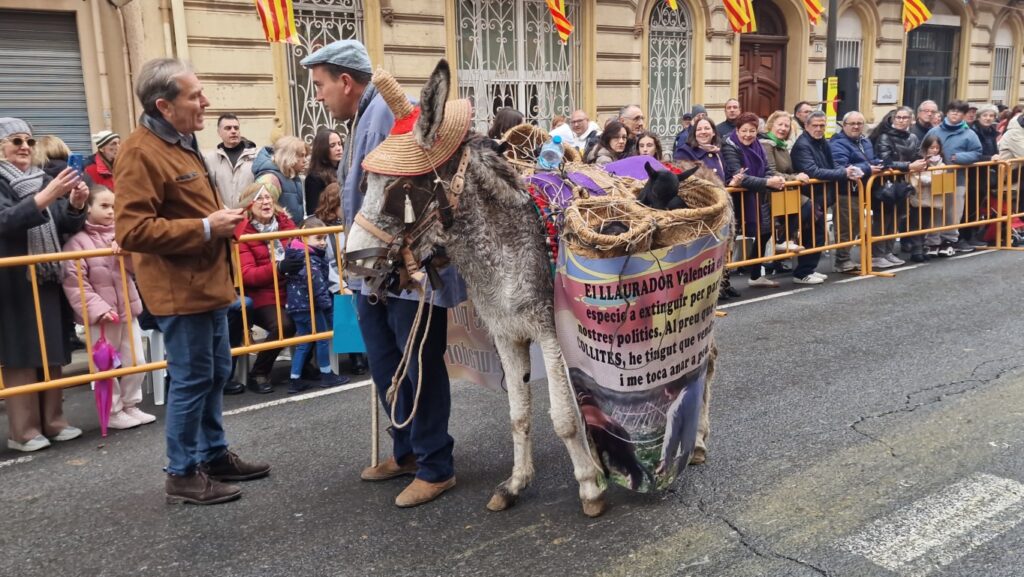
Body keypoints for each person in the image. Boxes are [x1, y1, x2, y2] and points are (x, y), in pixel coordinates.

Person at [303, 39, 463, 507]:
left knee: (419, 368)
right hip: (371, 271)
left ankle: (436, 465)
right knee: (386, 365)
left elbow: (412, 201)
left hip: (408, 272)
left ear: (346, 82)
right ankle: (408, 451)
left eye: (320, 86)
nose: (318, 96)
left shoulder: (394, 118)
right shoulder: (363, 118)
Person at [115, 58, 269, 505]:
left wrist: (217, 221)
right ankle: (182, 474)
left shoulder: (180, 141)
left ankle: (213, 455)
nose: (205, 101)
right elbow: (132, 231)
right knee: (192, 379)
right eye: (195, 95)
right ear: (164, 105)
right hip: (179, 290)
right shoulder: (140, 151)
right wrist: (206, 227)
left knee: (215, 371)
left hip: (207, 284)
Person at [0, 117, 88, 452]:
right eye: (16, 141)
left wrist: (76, 204)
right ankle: (23, 430)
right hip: (13, 279)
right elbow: (4, 221)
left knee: (51, 350)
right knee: (21, 353)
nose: (25, 147)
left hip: (46, 274)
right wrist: (44, 198)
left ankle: (54, 420)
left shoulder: (40, 178)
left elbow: (63, 224)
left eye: (29, 141)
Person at [61, 185, 156, 430]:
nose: (111, 211)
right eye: (104, 206)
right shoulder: (77, 242)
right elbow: (74, 282)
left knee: (137, 360)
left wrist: (126, 253)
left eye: (114, 206)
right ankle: (112, 411)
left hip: (127, 309)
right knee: (105, 365)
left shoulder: (122, 235)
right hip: (102, 317)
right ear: (88, 208)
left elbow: (139, 269)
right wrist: (98, 309)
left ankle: (131, 404)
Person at [235, 182, 304, 394]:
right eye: (260, 198)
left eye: (269, 197)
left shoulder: (285, 223)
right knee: (284, 325)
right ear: (249, 204)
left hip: (290, 289)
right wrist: (278, 268)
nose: (266, 202)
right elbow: (247, 274)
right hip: (262, 295)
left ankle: (305, 366)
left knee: (315, 313)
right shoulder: (242, 233)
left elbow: (300, 248)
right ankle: (259, 372)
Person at [282, 217, 350, 394]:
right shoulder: (308, 258)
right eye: (318, 238)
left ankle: (294, 379)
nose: (322, 243)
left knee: (304, 342)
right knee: (322, 338)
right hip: (310, 305)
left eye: (324, 238)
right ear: (304, 236)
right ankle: (327, 375)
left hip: (297, 305)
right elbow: (318, 285)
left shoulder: (294, 252)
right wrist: (327, 305)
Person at [792, 110, 861, 281]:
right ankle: (802, 273)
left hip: (821, 196)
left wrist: (846, 169)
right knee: (811, 235)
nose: (818, 129)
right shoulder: (803, 145)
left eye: (822, 125)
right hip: (809, 197)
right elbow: (813, 171)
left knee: (818, 235)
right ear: (806, 126)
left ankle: (809, 269)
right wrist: (842, 173)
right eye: (815, 125)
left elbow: (832, 163)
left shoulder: (822, 142)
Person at [722, 112, 787, 288]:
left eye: (752, 131)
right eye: (744, 130)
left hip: (757, 196)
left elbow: (766, 167)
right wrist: (768, 182)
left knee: (765, 231)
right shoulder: (729, 146)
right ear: (737, 130)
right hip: (735, 199)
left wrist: (771, 179)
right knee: (729, 239)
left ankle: (756, 274)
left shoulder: (758, 144)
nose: (748, 135)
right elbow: (739, 175)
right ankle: (723, 283)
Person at [313, 182, 368, 376]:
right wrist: (343, 284)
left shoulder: (353, 224)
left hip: (353, 276)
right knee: (345, 299)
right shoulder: (321, 228)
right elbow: (327, 264)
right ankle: (356, 356)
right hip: (332, 280)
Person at [870, 107, 927, 265]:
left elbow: (918, 155)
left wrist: (924, 162)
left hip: (901, 183)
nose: (902, 121)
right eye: (899, 117)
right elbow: (885, 161)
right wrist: (909, 166)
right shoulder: (884, 137)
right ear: (893, 119)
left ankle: (888, 251)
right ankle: (877, 254)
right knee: (883, 219)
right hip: (884, 184)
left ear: (911, 120)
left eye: (905, 118)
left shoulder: (913, 137)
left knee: (895, 218)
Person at [925, 100, 984, 254]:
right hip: (936, 178)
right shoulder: (934, 132)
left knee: (953, 211)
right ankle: (933, 241)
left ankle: (949, 239)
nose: (955, 114)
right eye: (952, 110)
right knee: (936, 210)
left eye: (959, 112)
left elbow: (977, 152)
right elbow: (922, 149)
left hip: (957, 178)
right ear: (947, 112)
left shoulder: (969, 134)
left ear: (963, 115)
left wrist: (959, 157)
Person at [830, 111, 882, 272]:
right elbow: (841, 166)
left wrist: (879, 164)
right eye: (852, 123)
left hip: (862, 190)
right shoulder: (837, 143)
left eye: (859, 123)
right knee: (845, 227)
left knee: (856, 226)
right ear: (844, 125)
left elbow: (868, 160)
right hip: (845, 191)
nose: (856, 126)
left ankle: (847, 258)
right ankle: (842, 260)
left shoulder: (865, 141)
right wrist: (868, 168)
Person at [760, 110, 810, 254]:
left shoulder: (781, 145)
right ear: (771, 125)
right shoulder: (766, 144)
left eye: (786, 126)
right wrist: (794, 178)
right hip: (771, 193)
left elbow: (787, 170)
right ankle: (782, 241)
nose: (783, 128)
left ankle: (783, 247)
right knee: (807, 206)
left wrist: (798, 175)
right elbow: (771, 172)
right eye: (779, 124)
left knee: (810, 210)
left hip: (784, 191)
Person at [963, 104, 1000, 247]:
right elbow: (973, 153)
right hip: (972, 173)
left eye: (991, 116)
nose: (988, 118)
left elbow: (994, 151)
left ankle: (972, 235)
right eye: (985, 115)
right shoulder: (973, 131)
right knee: (969, 205)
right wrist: (990, 159)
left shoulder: (992, 131)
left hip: (984, 173)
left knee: (977, 205)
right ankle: (964, 236)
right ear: (979, 117)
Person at [908, 136, 950, 259]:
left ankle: (921, 247)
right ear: (926, 148)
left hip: (932, 197)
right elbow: (916, 177)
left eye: (937, 148)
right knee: (916, 222)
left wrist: (934, 177)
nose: (935, 150)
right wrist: (932, 179)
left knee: (925, 222)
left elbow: (943, 174)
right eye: (932, 147)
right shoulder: (920, 160)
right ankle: (916, 250)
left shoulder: (941, 161)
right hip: (919, 195)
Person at [204, 113, 257, 209]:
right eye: (228, 128)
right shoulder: (210, 159)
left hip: (250, 216)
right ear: (219, 132)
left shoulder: (255, 156)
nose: (233, 131)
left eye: (236, 128)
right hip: (223, 217)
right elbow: (208, 191)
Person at [253, 135, 308, 223]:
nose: (305, 160)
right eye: (301, 156)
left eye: (305, 156)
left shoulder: (292, 176)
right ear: (288, 156)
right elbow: (260, 216)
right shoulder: (270, 179)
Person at [673, 114, 726, 182]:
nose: (703, 132)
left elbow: (725, 179)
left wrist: (733, 181)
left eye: (707, 128)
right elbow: (682, 181)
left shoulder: (717, 153)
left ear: (713, 132)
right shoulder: (684, 152)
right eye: (699, 129)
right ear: (695, 134)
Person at [304, 128, 343, 215]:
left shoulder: (343, 171)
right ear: (322, 149)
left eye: (340, 144)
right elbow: (313, 211)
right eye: (332, 145)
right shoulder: (314, 178)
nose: (339, 148)